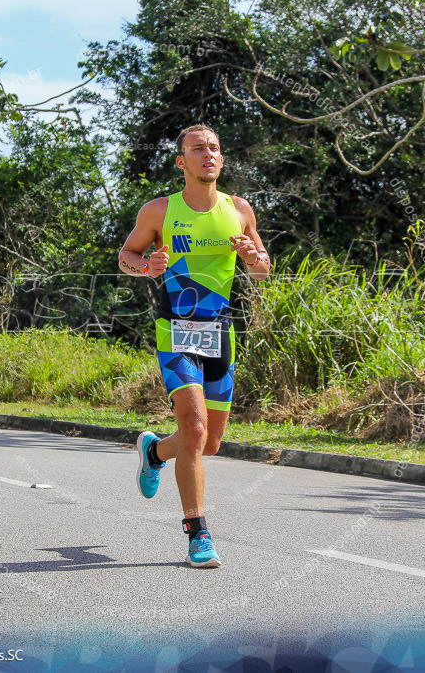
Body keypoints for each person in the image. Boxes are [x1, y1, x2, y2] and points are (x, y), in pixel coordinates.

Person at [118, 124, 270, 567]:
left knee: (210, 443)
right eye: (199, 149)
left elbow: (262, 268)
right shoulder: (160, 211)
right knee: (195, 428)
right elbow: (127, 256)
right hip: (176, 331)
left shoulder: (239, 210)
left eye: (215, 148)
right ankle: (197, 533)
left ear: (222, 160)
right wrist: (148, 266)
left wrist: (251, 259)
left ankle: (153, 451)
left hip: (220, 332)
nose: (209, 155)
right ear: (181, 161)